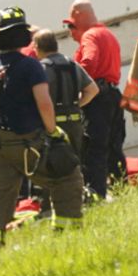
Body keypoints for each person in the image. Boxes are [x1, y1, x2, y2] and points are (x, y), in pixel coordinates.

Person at [0, 8, 81, 248]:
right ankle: (68, 235)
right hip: (24, 141)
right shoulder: (29, 66)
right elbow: (44, 102)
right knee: (67, 176)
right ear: (21, 35)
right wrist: (53, 131)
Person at [64, 0, 125, 198]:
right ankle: (121, 187)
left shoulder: (90, 36)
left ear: (79, 17)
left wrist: (76, 85)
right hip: (113, 95)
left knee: (94, 148)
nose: (70, 32)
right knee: (114, 146)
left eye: (71, 25)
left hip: (97, 99)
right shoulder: (107, 34)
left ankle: (96, 193)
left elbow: (89, 61)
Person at [35, 28, 98, 214]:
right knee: (74, 166)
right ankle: (77, 204)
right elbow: (92, 89)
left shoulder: (41, 68)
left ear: (38, 47)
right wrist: (77, 105)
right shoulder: (72, 64)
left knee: (51, 167)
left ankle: (49, 208)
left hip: (54, 126)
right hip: (75, 124)